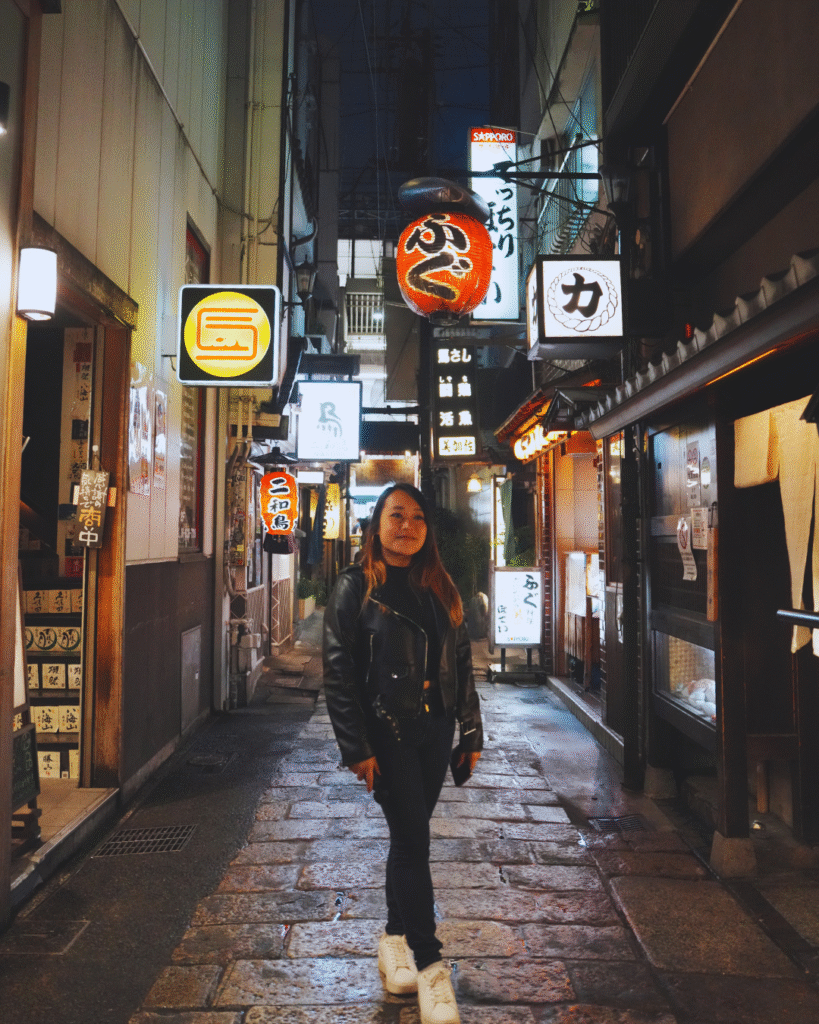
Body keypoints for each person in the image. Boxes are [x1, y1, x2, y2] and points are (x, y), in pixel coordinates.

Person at [323, 483, 483, 1024]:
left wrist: (472, 732)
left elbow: (459, 664)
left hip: (433, 732)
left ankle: (393, 939)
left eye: (417, 518)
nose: (407, 526)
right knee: (415, 837)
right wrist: (355, 747)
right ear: (377, 523)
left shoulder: (438, 585)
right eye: (396, 515)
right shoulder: (354, 586)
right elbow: (339, 673)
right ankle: (432, 966)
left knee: (407, 839)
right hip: (386, 732)